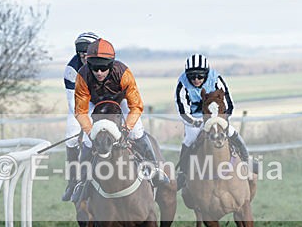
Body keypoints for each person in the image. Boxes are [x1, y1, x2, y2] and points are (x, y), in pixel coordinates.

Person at [72, 38, 168, 201]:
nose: (99, 73)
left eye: (103, 68)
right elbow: (80, 111)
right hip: (94, 103)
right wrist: (90, 132)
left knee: (137, 131)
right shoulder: (82, 76)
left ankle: (153, 168)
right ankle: (82, 182)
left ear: (110, 65)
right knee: (88, 142)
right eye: (94, 68)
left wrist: (126, 129)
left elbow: (136, 106)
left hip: (120, 101)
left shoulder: (123, 73)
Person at [174, 53, 257, 189]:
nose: (196, 80)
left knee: (232, 132)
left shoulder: (216, 79)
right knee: (189, 139)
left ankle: (247, 160)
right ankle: (183, 173)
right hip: (195, 117)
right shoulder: (182, 84)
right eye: (192, 76)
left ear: (206, 74)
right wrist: (195, 122)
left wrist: (222, 119)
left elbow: (228, 103)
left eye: (200, 76)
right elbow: (183, 110)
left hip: (216, 115)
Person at [60, 32, 99, 201]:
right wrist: (84, 125)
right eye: (80, 53)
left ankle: (146, 165)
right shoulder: (71, 69)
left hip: (103, 103)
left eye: (86, 53)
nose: (83, 57)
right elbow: (73, 103)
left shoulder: (103, 62)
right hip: (80, 105)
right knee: (70, 136)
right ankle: (73, 180)